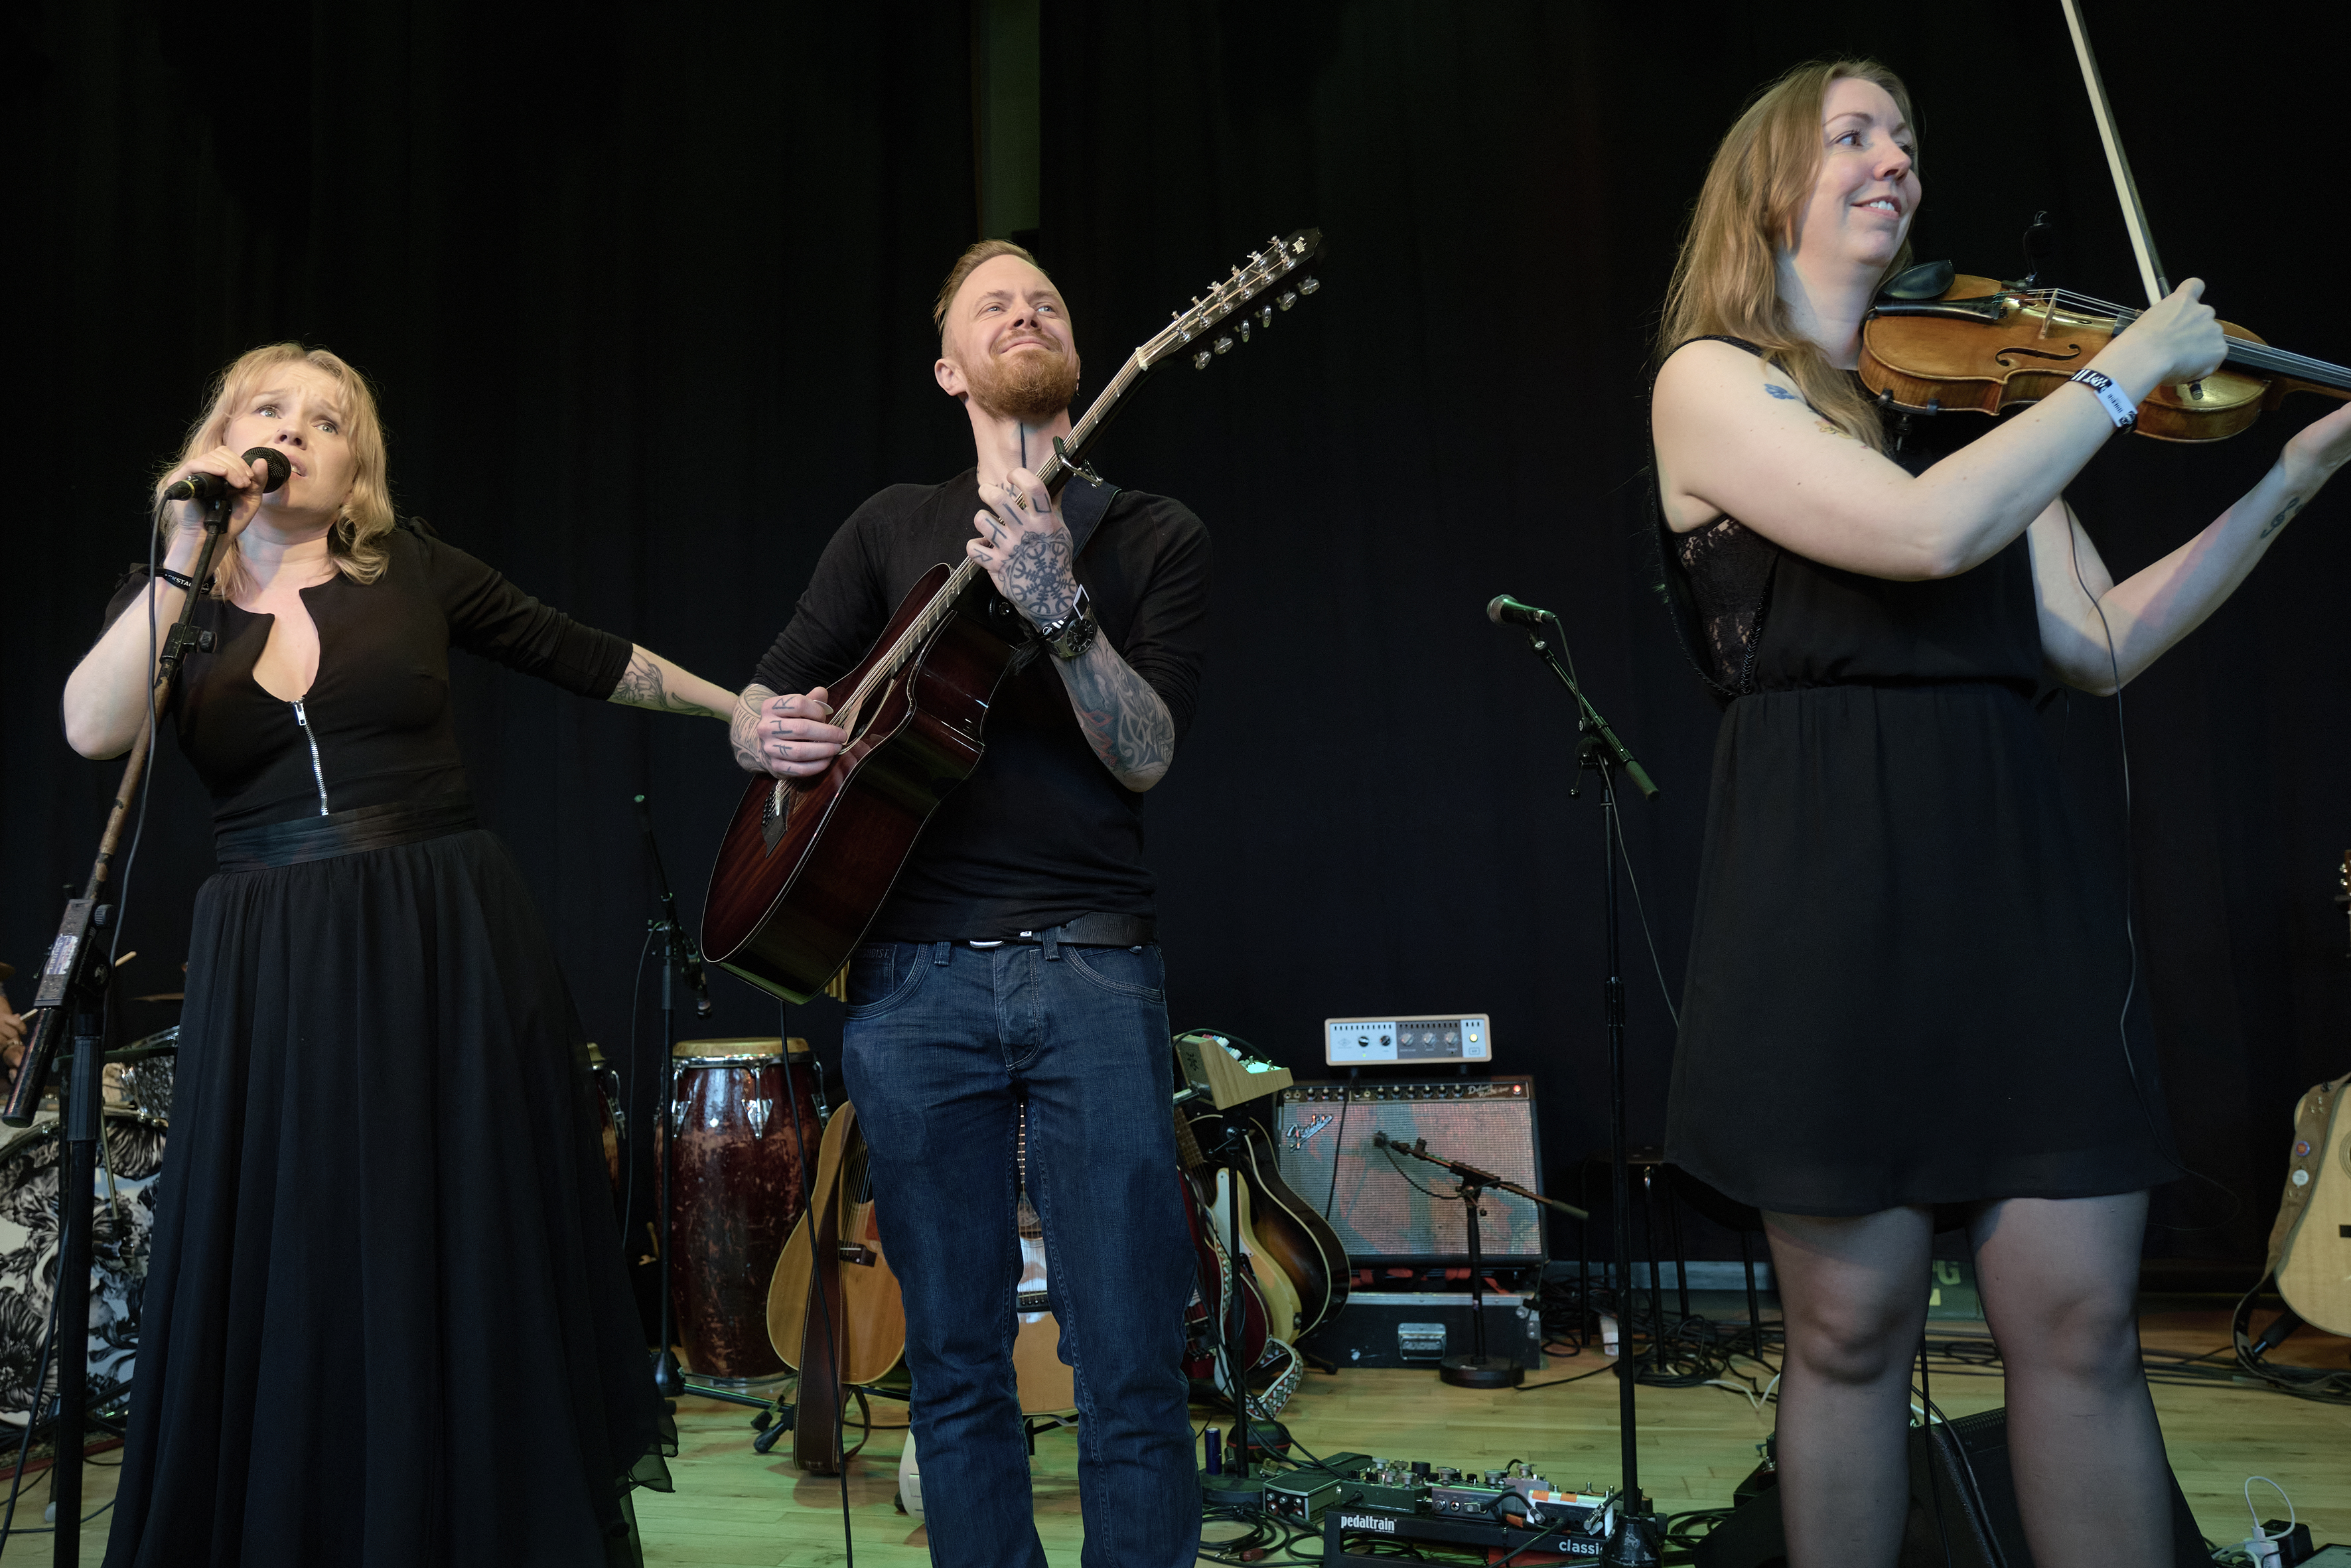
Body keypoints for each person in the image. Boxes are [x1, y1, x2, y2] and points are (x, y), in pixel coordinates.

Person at [1649, 59, 2350, 1568]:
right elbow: (1920, 535)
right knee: (1850, 1334)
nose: (1893, 158)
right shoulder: (1711, 380)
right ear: (1766, 187)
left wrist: (2294, 478)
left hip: (2006, 878)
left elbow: (2096, 642)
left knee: (2082, 1321)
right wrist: (2117, 376)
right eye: (1851, 135)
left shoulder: (1964, 408)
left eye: (1903, 137)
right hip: (1826, 884)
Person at [62, 343, 738, 1567]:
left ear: (355, 469)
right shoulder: (175, 597)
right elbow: (92, 729)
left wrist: (743, 714)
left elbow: (588, 655)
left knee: (456, 1236)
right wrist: (185, 548)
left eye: (327, 421)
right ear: (222, 436)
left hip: (440, 940)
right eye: (271, 410)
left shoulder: (413, 567)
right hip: (272, 962)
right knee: (299, 1246)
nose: (296, 431)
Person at [737, 240, 1212, 1568]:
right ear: (949, 368)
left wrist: (1061, 609)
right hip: (907, 982)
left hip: (1091, 968)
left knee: (1129, 1361)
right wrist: (763, 731)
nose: (1026, 311)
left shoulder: (1153, 534)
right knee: (951, 1366)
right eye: (992, 304)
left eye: (1045, 299)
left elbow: (1146, 755)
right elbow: (768, 693)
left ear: (1076, 352)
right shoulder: (890, 525)